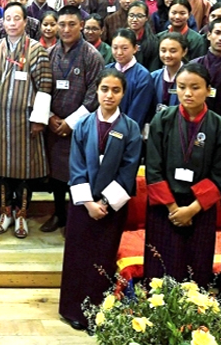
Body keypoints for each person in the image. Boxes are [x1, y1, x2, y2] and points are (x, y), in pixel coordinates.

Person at [60, 68, 141, 330]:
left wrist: (104, 204)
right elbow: (76, 166)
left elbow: (128, 171)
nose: (109, 95)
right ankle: (73, 309)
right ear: (97, 91)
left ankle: (99, 312)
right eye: (105, 89)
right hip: (83, 206)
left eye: (115, 90)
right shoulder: (83, 125)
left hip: (111, 210)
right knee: (78, 257)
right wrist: (88, 203)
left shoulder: (130, 128)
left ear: (123, 94)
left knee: (102, 259)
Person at [144, 63, 221, 287]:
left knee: (194, 270)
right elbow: (153, 169)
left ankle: (192, 321)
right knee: (160, 269)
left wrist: (191, 209)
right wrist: (173, 209)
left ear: (208, 90)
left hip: (199, 211)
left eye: (195, 87)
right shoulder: (162, 120)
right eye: (181, 86)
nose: (187, 93)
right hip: (164, 208)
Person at [0, 3, 53, 238]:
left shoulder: (36, 50)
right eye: (8, 18)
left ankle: (22, 215)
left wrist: (39, 119)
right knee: (3, 168)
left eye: (17, 18)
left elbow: (45, 85)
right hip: (1, 121)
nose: (12, 23)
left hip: (27, 121)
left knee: (25, 170)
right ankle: (5, 213)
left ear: (26, 22)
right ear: (3, 22)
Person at [43, 6, 104, 233]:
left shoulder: (92, 56)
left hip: (80, 128)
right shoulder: (48, 53)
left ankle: (75, 217)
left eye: (71, 24)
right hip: (53, 125)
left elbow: (94, 94)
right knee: (56, 174)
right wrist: (49, 117)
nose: (66, 29)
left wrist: (71, 122)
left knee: (78, 173)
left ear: (81, 25)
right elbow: (42, 88)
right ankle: (58, 214)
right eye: (62, 24)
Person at [106, 28, 155, 129]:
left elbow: (137, 114)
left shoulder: (143, 76)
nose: (119, 53)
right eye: (115, 48)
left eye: (124, 48)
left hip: (127, 132)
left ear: (135, 48)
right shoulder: (106, 70)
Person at [151, 32, 187, 114]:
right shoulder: (153, 77)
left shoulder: (191, 78)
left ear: (184, 52)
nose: (167, 55)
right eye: (163, 51)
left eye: (173, 51)